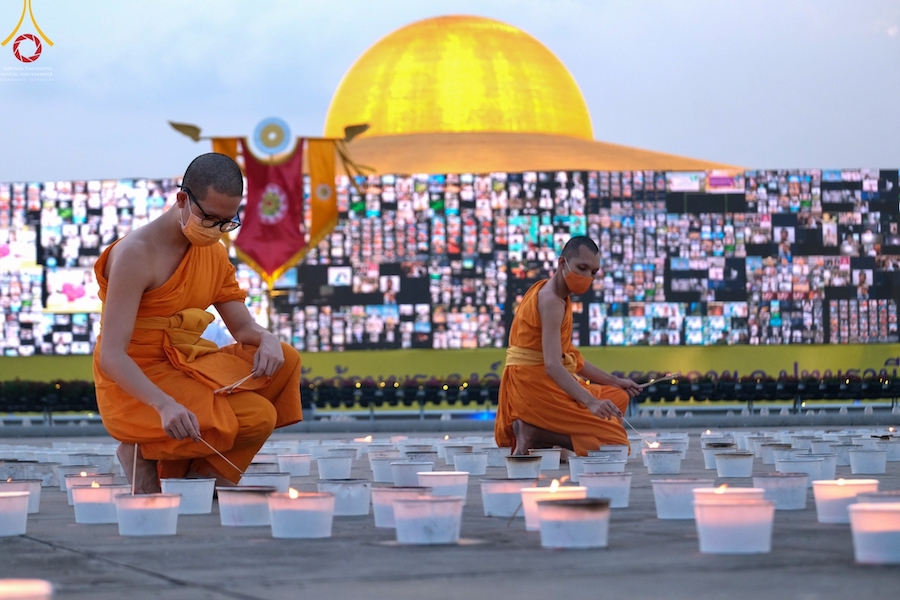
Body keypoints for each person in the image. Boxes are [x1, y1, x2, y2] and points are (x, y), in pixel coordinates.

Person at [93, 153, 302, 493]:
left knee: (285, 360)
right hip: (138, 378)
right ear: (182, 200)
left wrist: (266, 337)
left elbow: (243, 328)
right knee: (258, 417)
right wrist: (164, 405)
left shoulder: (214, 252)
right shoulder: (136, 254)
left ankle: (201, 477)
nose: (217, 231)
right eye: (210, 219)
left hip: (185, 365)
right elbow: (112, 356)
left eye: (227, 223)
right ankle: (142, 450)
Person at [495, 236, 641, 456]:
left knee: (617, 396)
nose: (587, 277)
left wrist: (615, 381)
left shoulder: (555, 295)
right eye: (581, 268)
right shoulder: (552, 301)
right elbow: (553, 366)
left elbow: (569, 357)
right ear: (562, 263)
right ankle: (536, 432)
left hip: (542, 381)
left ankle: (548, 436)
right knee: (616, 445)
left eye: (593, 272)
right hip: (534, 387)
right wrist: (590, 402)